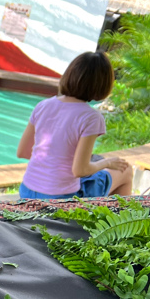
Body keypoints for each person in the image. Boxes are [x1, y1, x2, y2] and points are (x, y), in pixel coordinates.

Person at [16, 51, 132, 200]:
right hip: (61, 198)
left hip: (27, 191)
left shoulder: (43, 105)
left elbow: (23, 152)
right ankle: (119, 221)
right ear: (103, 84)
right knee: (126, 171)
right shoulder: (91, 117)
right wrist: (107, 162)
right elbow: (80, 169)